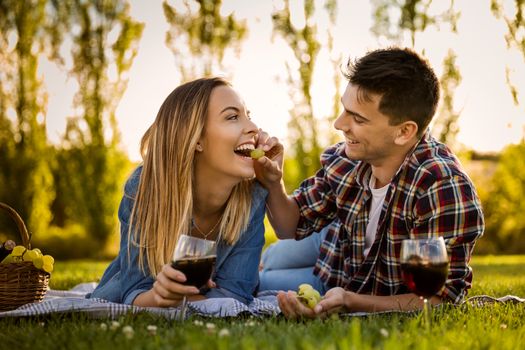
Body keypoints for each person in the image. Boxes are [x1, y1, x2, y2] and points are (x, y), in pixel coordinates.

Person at [254, 47, 484, 318]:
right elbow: (288, 225)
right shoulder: (348, 158)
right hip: (336, 243)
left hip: (342, 279)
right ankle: (265, 264)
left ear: (403, 131)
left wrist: (350, 301)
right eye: (344, 109)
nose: (340, 124)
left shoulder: (441, 187)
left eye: (358, 118)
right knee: (271, 258)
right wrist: (273, 182)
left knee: (256, 283)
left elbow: (438, 299)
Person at [89, 77, 278, 307]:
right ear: (196, 139)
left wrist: (185, 299)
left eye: (248, 115)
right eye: (232, 117)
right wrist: (160, 295)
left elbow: (236, 294)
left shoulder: (253, 196)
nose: (254, 128)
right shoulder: (145, 188)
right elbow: (133, 291)